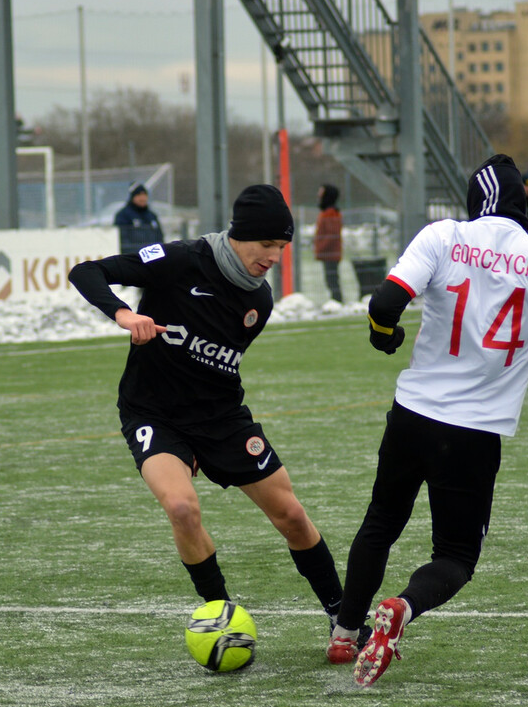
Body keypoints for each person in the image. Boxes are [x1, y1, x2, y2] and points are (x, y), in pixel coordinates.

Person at [325, 155, 528, 686]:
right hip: (474, 433)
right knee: (455, 557)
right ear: (521, 203)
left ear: (474, 201)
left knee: (381, 521)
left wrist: (384, 336)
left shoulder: (442, 236)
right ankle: (401, 607)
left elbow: (383, 304)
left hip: (413, 414)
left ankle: (344, 633)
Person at [70, 184, 364, 650]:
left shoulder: (259, 302)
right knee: (182, 508)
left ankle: (342, 619)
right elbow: (87, 272)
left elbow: (215, 363)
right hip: (154, 413)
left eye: (282, 248)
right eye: (266, 244)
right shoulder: (181, 259)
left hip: (222, 417)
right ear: (239, 235)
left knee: (290, 515)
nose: (273, 257)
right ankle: (221, 619)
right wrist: (124, 314)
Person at [113, 182, 164, 254]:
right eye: (139, 195)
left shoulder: (152, 216)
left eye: (144, 195)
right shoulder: (123, 215)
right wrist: (135, 254)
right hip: (134, 258)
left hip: (153, 257)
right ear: (132, 197)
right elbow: (122, 239)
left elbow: (160, 237)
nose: (142, 198)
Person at [314, 183, 344, 303]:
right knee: (331, 278)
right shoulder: (329, 212)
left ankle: (337, 301)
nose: (318, 195)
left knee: (332, 279)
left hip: (330, 253)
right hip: (329, 253)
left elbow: (332, 234)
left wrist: (320, 247)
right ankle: (336, 300)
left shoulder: (330, 213)